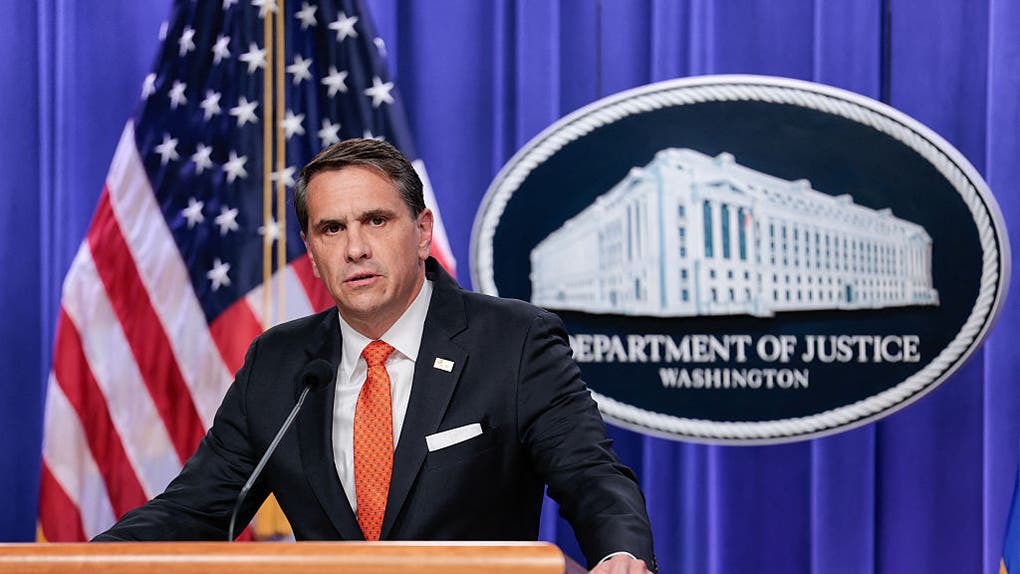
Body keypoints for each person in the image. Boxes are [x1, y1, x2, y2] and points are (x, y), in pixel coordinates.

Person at [94, 139, 656, 573]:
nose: (355, 248)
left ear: (421, 232)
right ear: (312, 252)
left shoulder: (513, 342)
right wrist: (83, 562)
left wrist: (620, 553)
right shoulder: (280, 363)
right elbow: (194, 510)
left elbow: (590, 475)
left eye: (376, 221)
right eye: (331, 229)